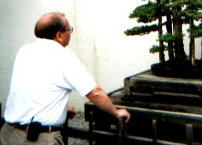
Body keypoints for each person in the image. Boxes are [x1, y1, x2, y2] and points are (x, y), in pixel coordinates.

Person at [0, 12, 130, 145]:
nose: (70, 33)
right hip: (39, 139)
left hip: (8, 134)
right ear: (59, 35)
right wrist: (116, 112)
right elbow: (95, 92)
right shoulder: (63, 56)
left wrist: (59, 107)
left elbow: (31, 87)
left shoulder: (24, 51)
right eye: (69, 29)